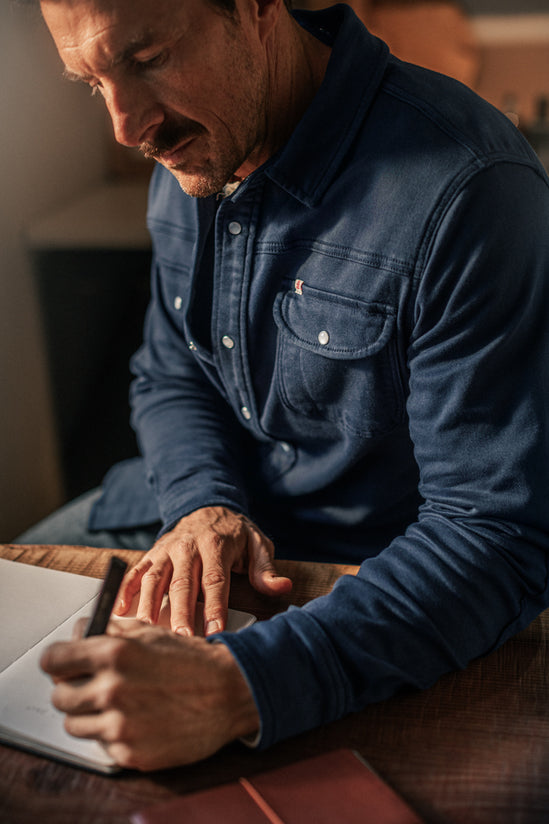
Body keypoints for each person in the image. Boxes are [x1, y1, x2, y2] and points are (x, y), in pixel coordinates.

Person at [20, 0, 549, 771]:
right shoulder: (193, 141)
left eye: (147, 58)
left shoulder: (471, 190)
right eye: (90, 82)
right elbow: (172, 373)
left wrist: (243, 687)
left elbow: (497, 537)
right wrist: (203, 503)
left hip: (378, 586)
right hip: (190, 520)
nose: (125, 129)